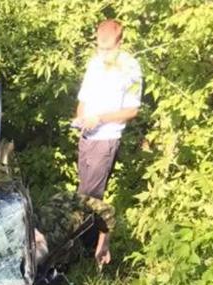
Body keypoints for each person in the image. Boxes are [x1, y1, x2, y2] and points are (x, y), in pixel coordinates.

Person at [72, 19, 142, 266]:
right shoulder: (94, 64)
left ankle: (97, 247)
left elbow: (132, 110)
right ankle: (85, 242)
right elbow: (83, 98)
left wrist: (100, 118)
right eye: (100, 48)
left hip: (106, 138)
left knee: (91, 195)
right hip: (86, 135)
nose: (103, 53)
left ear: (120, 42)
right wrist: (81, 117)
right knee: (84, 191)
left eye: (108, 48)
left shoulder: (130, 68)